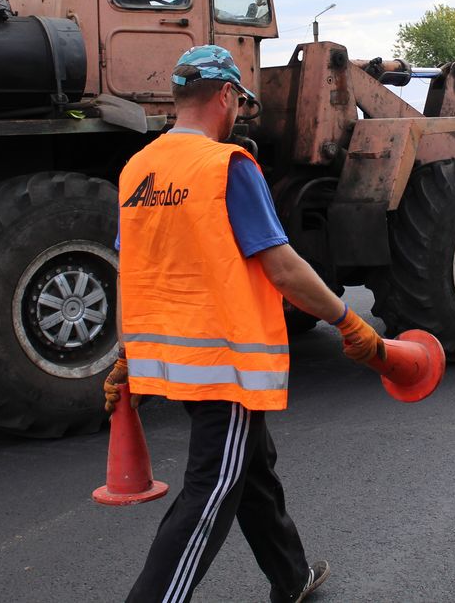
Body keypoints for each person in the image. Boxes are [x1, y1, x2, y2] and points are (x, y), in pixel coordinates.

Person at [105, 44, 385, 603]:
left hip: (174, 360)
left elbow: (129, 270)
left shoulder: (139, 168)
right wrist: (348, 320)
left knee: (250, 467)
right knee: (210, 492)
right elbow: (281, 265)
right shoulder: (226, 166)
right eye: (240, 103)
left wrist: (124, 354)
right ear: (228, 96)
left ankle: (292, 577)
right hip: (224, 365)